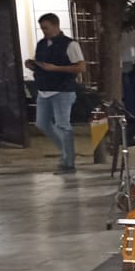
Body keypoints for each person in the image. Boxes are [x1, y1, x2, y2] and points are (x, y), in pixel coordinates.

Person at [27, 13, 86, 174]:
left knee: (62, 125)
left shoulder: (70, 44)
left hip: (62, 90)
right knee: (42, 123)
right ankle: (66, 151)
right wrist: (33, 65)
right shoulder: (42, 44)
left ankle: (68, 162)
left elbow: (81, 67)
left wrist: (55, 68)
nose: (44, 31)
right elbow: (42, 64)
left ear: (56, 26)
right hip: (44, 89)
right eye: (42, 28)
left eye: (46, 28)